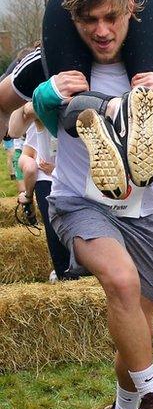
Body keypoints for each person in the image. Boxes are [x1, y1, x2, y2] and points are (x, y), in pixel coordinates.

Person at [0, 0, 153, 409]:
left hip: (144, 211)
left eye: (111, 18)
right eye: (87, 21)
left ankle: (125, 400)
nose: (101, 31)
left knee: (135, 325)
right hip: (77, 201)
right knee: (119, 281)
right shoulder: (47, 57)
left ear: (131, 11)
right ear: (72, 19)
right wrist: (36, 105)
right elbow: (1, 101)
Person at [8, 102, 75, 280]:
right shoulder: (36, 123)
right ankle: (64, 273)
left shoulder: (75, 119)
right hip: (48, 181)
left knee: (68, 226)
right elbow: (29, 155)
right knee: (54, 229)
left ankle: (70, 271)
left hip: (68, 179)